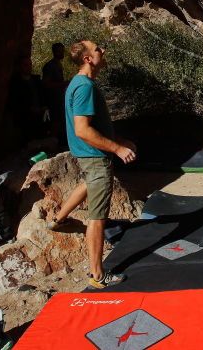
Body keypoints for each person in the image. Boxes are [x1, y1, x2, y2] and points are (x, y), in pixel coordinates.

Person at [47, 40, 138, 289]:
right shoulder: (84, 86)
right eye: (98, 49)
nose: (103, 50)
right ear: (88, 59)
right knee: (98, 217)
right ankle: (97, 275)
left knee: (88, 183)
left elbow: (95, 126)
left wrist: (120, 139)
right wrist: (117, 149)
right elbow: (83, 130)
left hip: (87, 156)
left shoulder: (79, 83)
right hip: (95, 157)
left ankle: (58, 219)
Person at [41, 42, 68, 146]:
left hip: (59, 98)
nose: (61, 53)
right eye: (59, 51)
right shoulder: (50, 66)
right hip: (53, 99)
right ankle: (53, 144)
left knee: (60, 121)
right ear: (54, 52)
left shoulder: (58, 64)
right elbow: (46, 84)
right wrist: (63, 84)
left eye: (62, 50)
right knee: (55, 122)